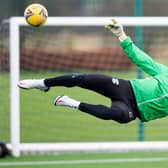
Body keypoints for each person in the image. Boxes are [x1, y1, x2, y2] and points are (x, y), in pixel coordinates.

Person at [18, 19, 168, 124]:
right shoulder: (165, 72)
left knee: (118, 115)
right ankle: (42, 83)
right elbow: (142, 60)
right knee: (83, 79)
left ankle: (72, 103)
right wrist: (121, 35)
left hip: (132, 110)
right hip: (126, 89)